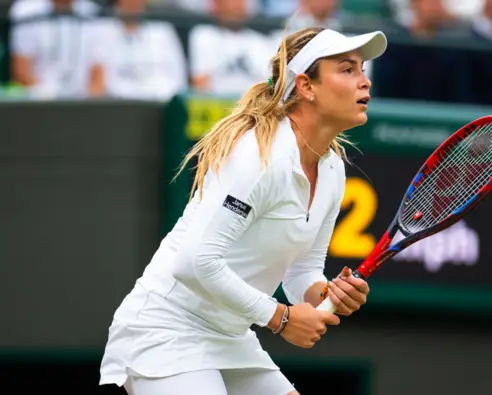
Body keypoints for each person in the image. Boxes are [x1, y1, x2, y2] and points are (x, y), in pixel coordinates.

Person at [98, 26, 388, 395]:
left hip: (231, 336)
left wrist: (326, 295)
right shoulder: (258, 156)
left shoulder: (331, 170)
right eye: (347, 70)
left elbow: (302, 272)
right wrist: (281, 318)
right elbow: (194, 261)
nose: (364, 82)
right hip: (165, 330)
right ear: (306, 86)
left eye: (362, 70)